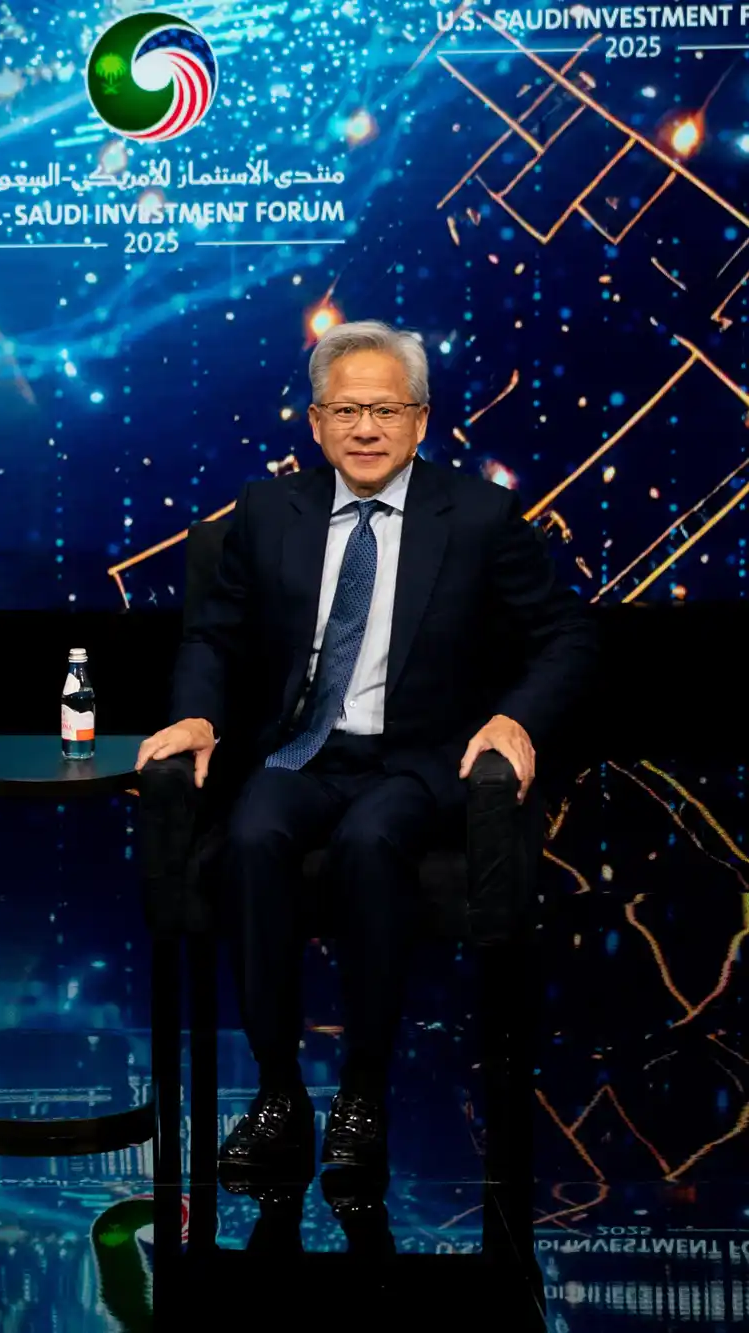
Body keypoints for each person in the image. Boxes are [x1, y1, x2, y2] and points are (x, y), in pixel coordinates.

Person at [135, 320, 593, 1176]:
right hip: (304, 749)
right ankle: (278, 1090)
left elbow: (566, 635)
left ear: (420, 420)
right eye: (346, 410)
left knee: (369, 841)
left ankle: (363, 1091)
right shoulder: (269, 510)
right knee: (250, 837)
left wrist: (516, 719)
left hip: (418, 757)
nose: (367, 429)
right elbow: (213, 637)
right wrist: (197, 716)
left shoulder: (479, 516)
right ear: (316, 423)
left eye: (386, 409)